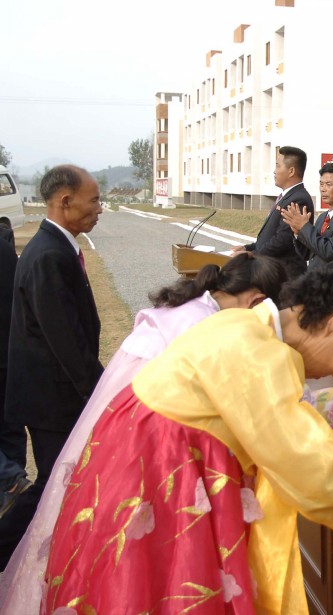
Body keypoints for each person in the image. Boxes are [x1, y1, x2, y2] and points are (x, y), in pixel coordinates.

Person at [36, 260, 333, 613]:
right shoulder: (261, 356)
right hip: (164, 489)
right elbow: (321, 475)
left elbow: (265, 409)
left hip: (137, 469)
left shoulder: (245, 327)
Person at [0, 253, 288, 613]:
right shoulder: (202, 326)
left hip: (119, 430)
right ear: (256, 301)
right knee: (142, 551)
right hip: (149, 444)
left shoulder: (191, 308)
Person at [1, 165, 103, 566]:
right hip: (52, 400)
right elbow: (67, 344)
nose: (100, 208)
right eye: (93, 199)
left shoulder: (57, 247)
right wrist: (101, 393)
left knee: (54, 484)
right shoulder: (48, 255)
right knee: (50, 486)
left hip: (53, 395)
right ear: (65, 201)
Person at [233, 145, 313, 277]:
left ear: (291, 171)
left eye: (278, 166)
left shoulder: (298, 199)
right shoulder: (287, 196)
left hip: (285, 274)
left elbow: (282, 239)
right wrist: (247, 248)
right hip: (274, 270)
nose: (274, 171)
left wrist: (253, 255)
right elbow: (269, 236)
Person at [283, 161, 333, 271]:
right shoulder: (322, 217)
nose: (323, 189)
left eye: (328, 184)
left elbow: (331, 252)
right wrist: (298, 233)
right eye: (321, 184)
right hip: (314, 281)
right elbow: (308, 254)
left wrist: (304, 227)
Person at [0, 233, 29, 518]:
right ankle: (16, 495)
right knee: (10, 427)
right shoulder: (6, 248)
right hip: (10, 352)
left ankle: (10, 480)